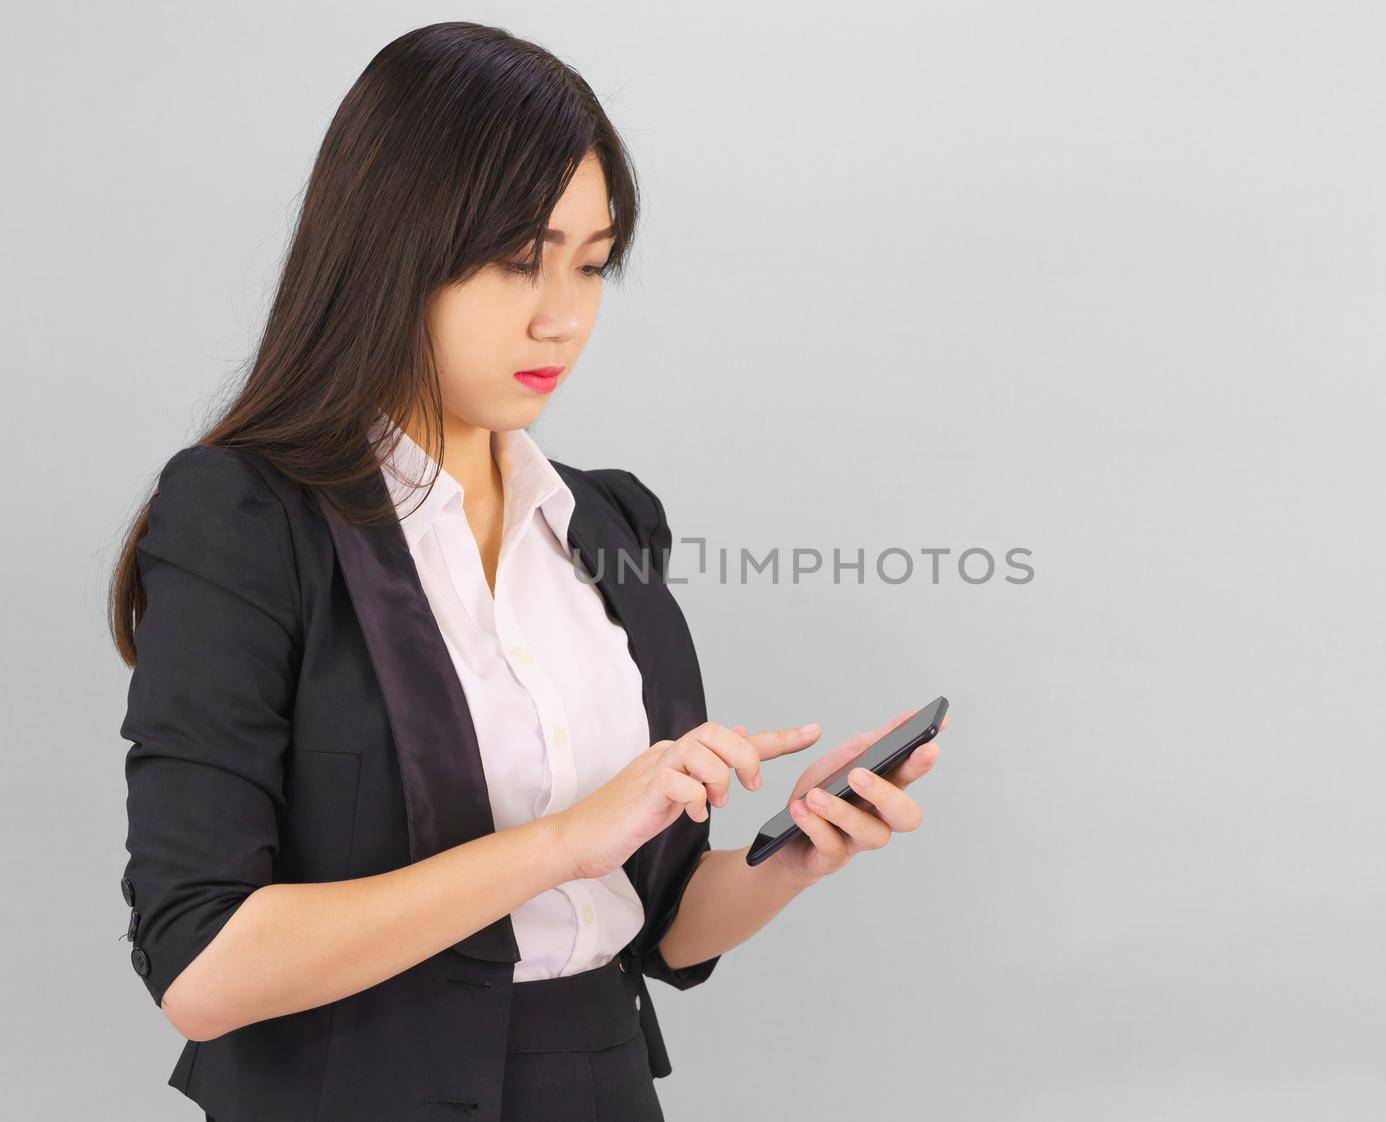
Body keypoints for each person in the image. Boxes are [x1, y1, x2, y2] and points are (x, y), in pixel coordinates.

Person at [105, 21, 947, 1122]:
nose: (565, 315)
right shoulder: (247, 517)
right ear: (391, 244)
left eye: (593, 265)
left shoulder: (604, 522)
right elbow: (201, 968)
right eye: (518, 260)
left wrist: (784, 860)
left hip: (593, 1085)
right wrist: (562, 842)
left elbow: (659, 922)